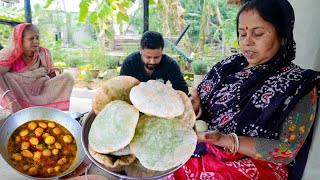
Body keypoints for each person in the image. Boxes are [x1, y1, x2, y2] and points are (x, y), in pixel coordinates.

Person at [167, 0, 320, 179]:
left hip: (253, 165)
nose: (247, 41)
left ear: (283, 37)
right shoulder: (227, 66)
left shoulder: (299, 85)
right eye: (242, 34)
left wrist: (225, 140)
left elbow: (286, 149)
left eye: (258, 33)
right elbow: (201, 105)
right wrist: (194, 105)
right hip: (201, 149)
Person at [0, 23, 74, 113]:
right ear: (19, 40)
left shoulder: (43, 53)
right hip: (19, 96)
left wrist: (42, 79)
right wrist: (11, 100)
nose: (36, 41)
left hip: (39, 93)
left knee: (67, 77)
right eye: (31, 38)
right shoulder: (10, 55)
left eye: (37, 38)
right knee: (6, 76)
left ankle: (47, 110)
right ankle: (18, 106)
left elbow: (51, 75)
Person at [120, 31, 189, 94]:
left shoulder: (170, 64)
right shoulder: (130, 63)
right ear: (140, 50)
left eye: (156, 57)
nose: (152, 62)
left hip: (159, 100)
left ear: (162, 51)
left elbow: (182, 89)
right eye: (148, 57)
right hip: (134, 101)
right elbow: (122, 89)